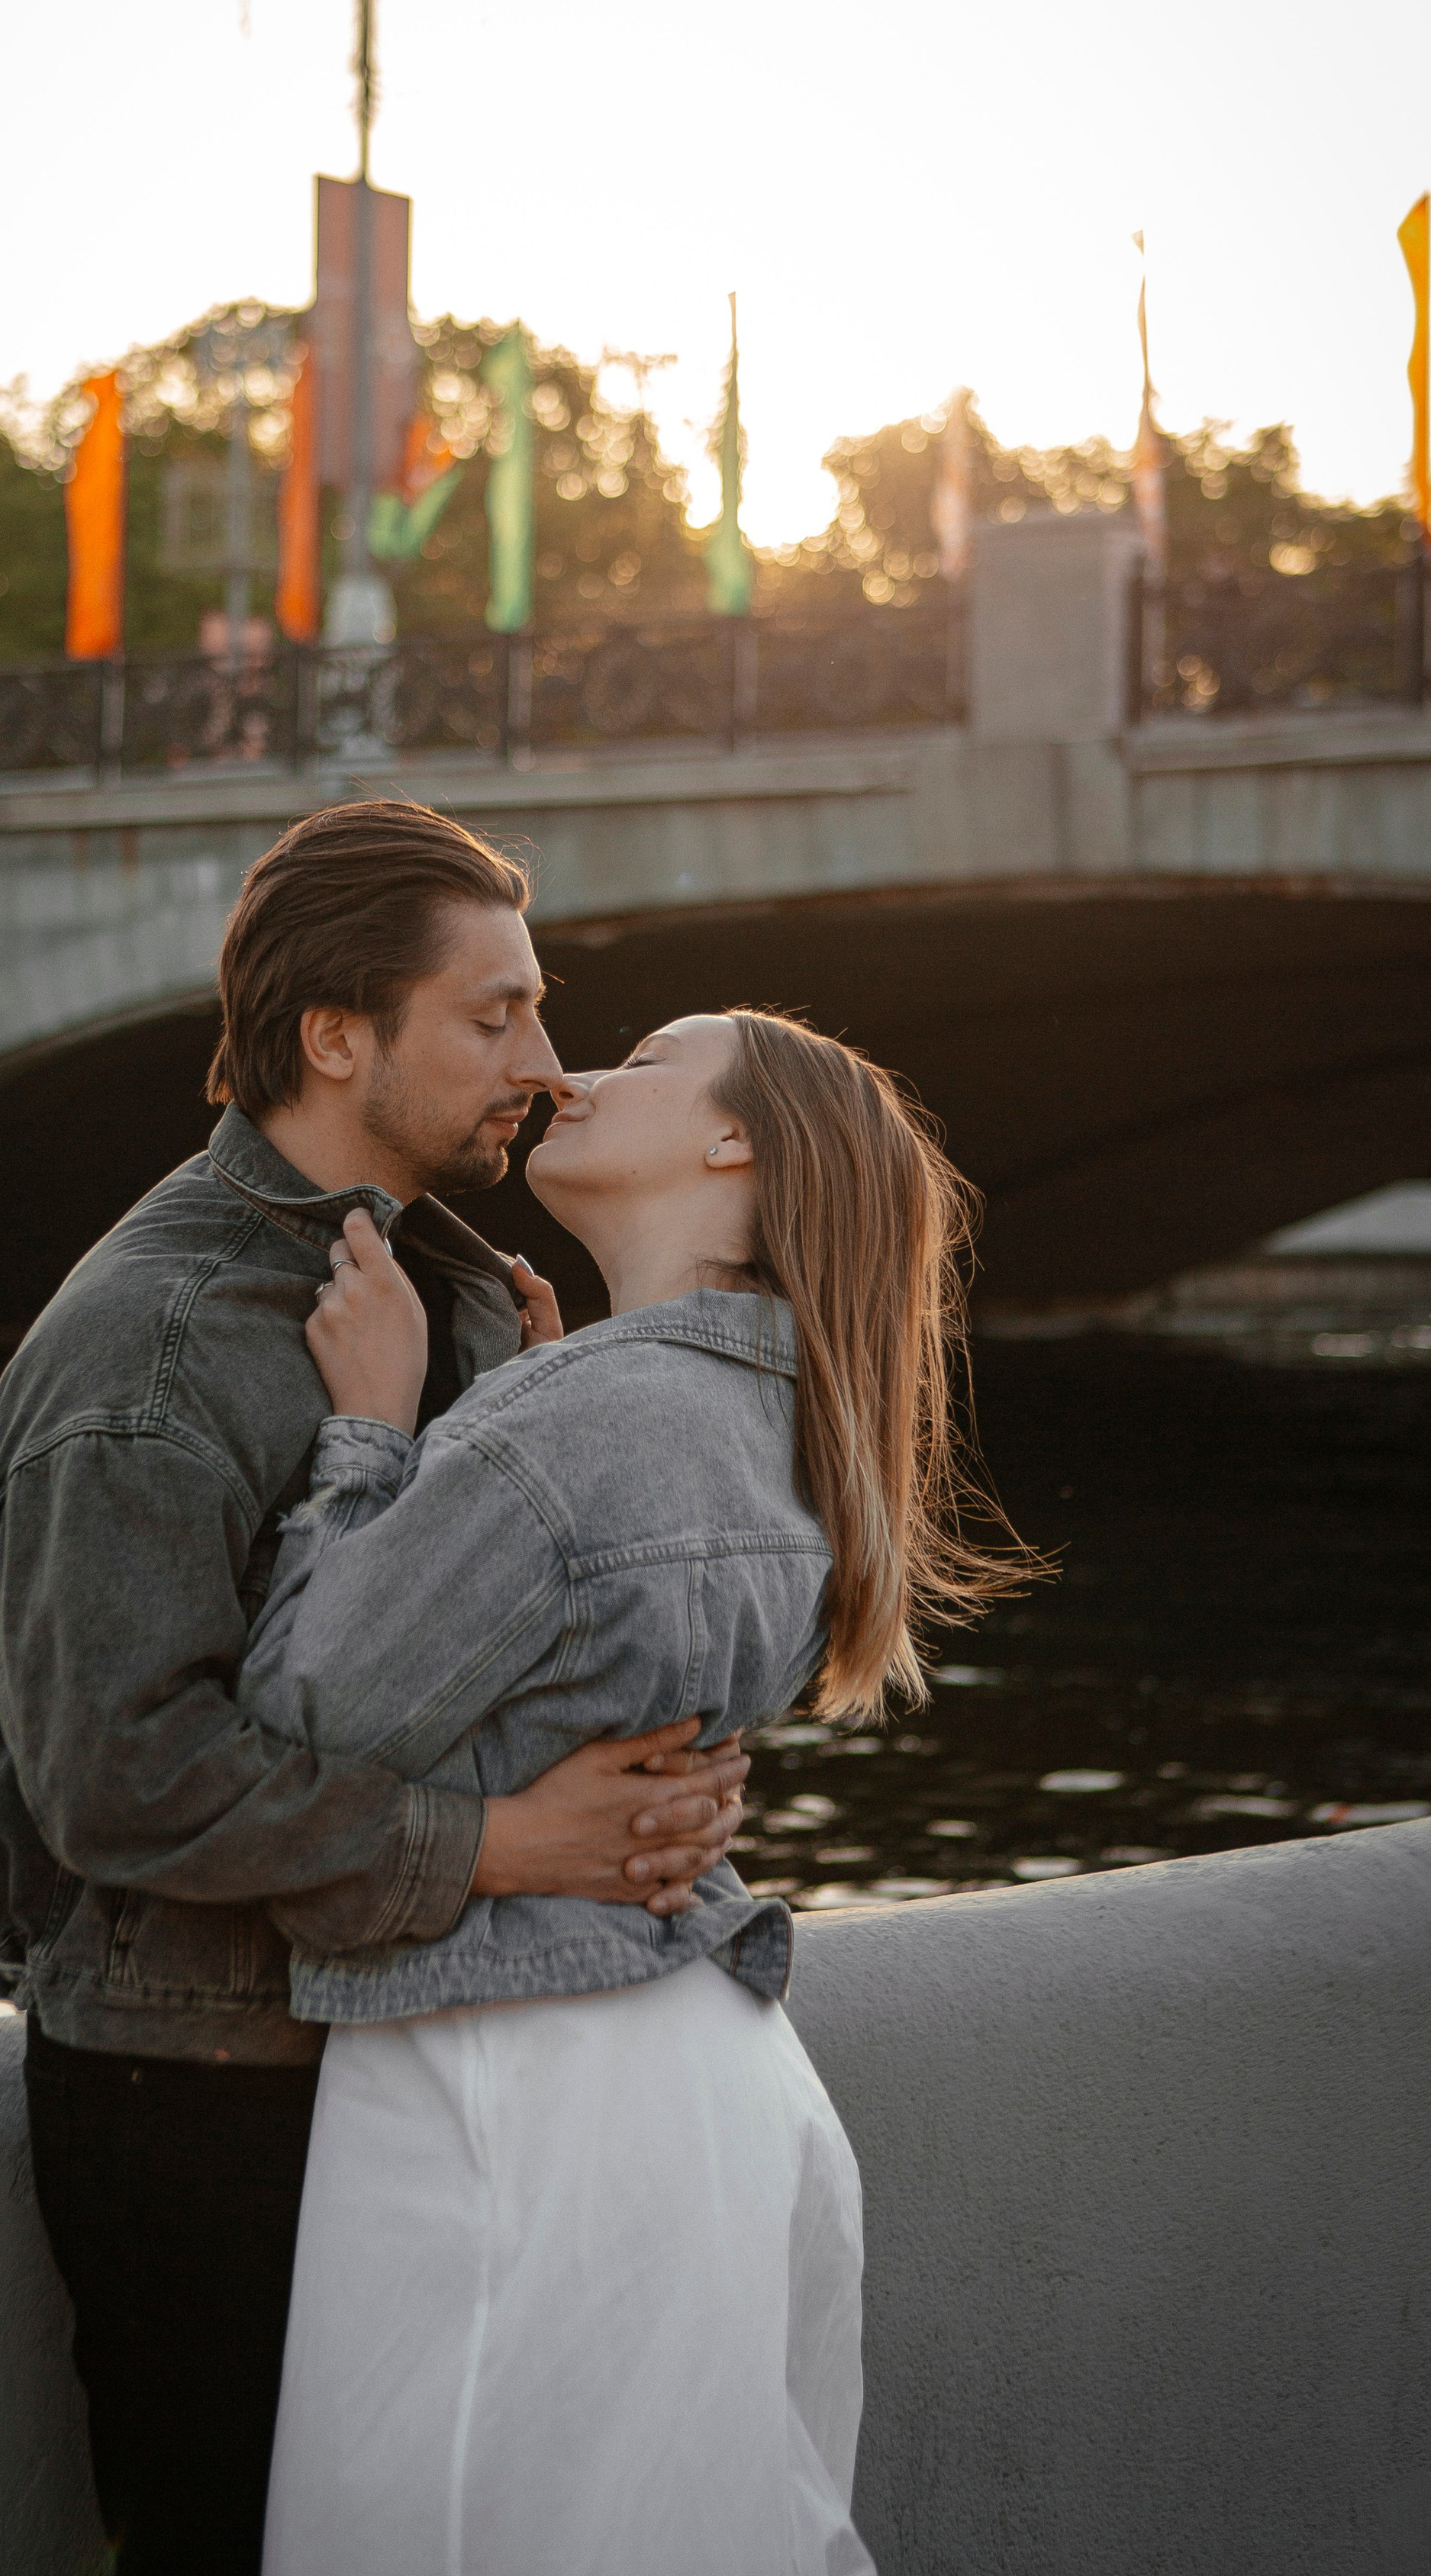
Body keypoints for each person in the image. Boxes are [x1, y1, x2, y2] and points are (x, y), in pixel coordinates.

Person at [0, 801, 752, 2575]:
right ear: (332, 1037)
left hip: (402, 2050)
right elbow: (120, 1775)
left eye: (539, 1012)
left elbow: (432, 1660)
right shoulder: (155, 1350)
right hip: (206, 2090)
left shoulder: (451, 1283)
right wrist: (513, 1846)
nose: (542, 1065)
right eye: (492, 1016)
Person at [240, 1006, 1025, 2576]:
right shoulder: (786, 1417)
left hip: (524, 2091)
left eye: (647, 1061)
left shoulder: (584, 1420)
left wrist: (374, 1432)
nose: (568, 1075)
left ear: (735, 1141)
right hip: (708, 2076)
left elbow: (301, 1708)